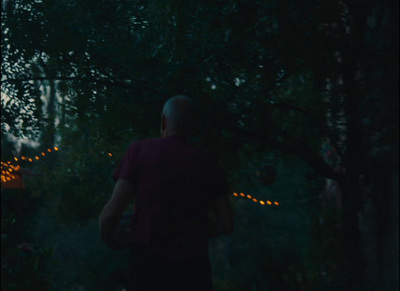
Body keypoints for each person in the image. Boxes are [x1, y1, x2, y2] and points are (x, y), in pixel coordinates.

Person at [99, 95, 234, 290]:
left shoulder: (139, 151)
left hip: (147, 268)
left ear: (163, 120)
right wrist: (197, 233)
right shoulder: (207, 160)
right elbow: (227, 224)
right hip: (193, 271)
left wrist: (110, 238)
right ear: (192, 125)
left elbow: (111, 214)